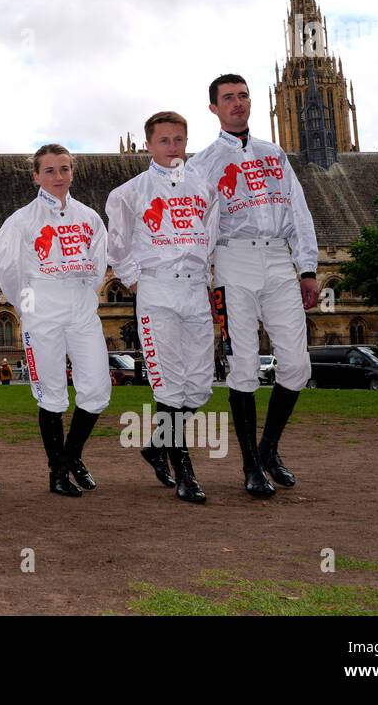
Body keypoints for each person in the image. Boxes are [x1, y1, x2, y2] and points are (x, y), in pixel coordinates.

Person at [185, 73, 319, 497]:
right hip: (233, 259)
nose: (238, 103)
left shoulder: (274, 153)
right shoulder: (201, 164)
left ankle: (268, 449)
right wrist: (201, 279)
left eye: (243, 96)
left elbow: (298, 210)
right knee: (242, 366)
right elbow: (194, 225)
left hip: (278, 258)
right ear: (214, 108)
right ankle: (250, 466)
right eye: (228, 98)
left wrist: (308, 268)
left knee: (297, 365)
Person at [106, 110, 220, 503]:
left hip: (194, 291)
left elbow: (210, 238)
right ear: (149, 145)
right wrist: (138, 282)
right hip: (158, 292)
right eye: (164, 141)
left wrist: (206, 282)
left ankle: (156, 445)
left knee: (200, 384)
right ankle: (184, 470)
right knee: (169, 384)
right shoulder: (129, 193)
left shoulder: (205, 188)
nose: (173, 148)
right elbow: (117, 248)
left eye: (179, 140)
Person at [0, 144, 111, 497]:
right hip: (41, 306)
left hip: (79, 305)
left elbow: (98, 264)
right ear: (36, 176)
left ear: (72, 172)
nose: (58, 177)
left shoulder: (89, 217)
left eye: (64, 169)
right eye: (49, 170)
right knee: (51, 393)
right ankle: (56, 473)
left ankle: (70, 457)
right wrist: (28, 303)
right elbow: (7, 269)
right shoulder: (21, 221)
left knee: (96, 389)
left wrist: (82, 296)